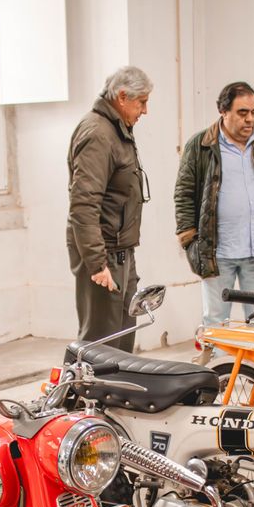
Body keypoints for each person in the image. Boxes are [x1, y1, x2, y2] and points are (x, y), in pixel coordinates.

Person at [175, 81, 254, 325]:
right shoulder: (200, 145)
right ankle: (219, 354)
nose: (249, 119)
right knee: (216, 321)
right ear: (223, 111)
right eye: (242, 113)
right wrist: (189, 238)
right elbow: (184, 194)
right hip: (216, 252)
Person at [67, 66, 152, 352]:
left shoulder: (116, 130)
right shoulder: (98, 134)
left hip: (120, 249)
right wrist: (97, 263)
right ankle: (81, 383)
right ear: (122, 97)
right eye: (142, 102)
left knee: (124, 335)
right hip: (103, 253)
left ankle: (119, 382)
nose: (145, 110)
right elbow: (83, 204)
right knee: (100, 342)